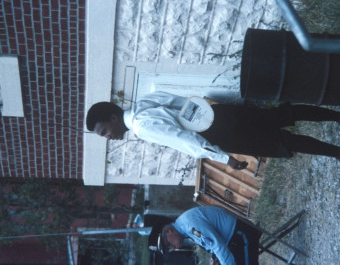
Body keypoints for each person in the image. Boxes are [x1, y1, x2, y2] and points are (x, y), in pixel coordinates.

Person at [86, 91, 340, 169]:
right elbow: (185, 101)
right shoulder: (145, 101)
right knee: (281, 115)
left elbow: (184, 139)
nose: (109, 138)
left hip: (219, 134)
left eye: (104, 131)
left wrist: (224, 157)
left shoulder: (142, 127)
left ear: (112, 117)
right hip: (219, 115)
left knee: (283, 141)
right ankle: (336, 116)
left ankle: (337, 152)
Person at [160, 205, 261, 265]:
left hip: (241, 234)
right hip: (234, 240)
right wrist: (215, 257)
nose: (172, 248)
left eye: (168, 245)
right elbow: (213, 246)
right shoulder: (184, 227)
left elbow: (218, 245)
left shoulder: (188, 225)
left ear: (168, 231)